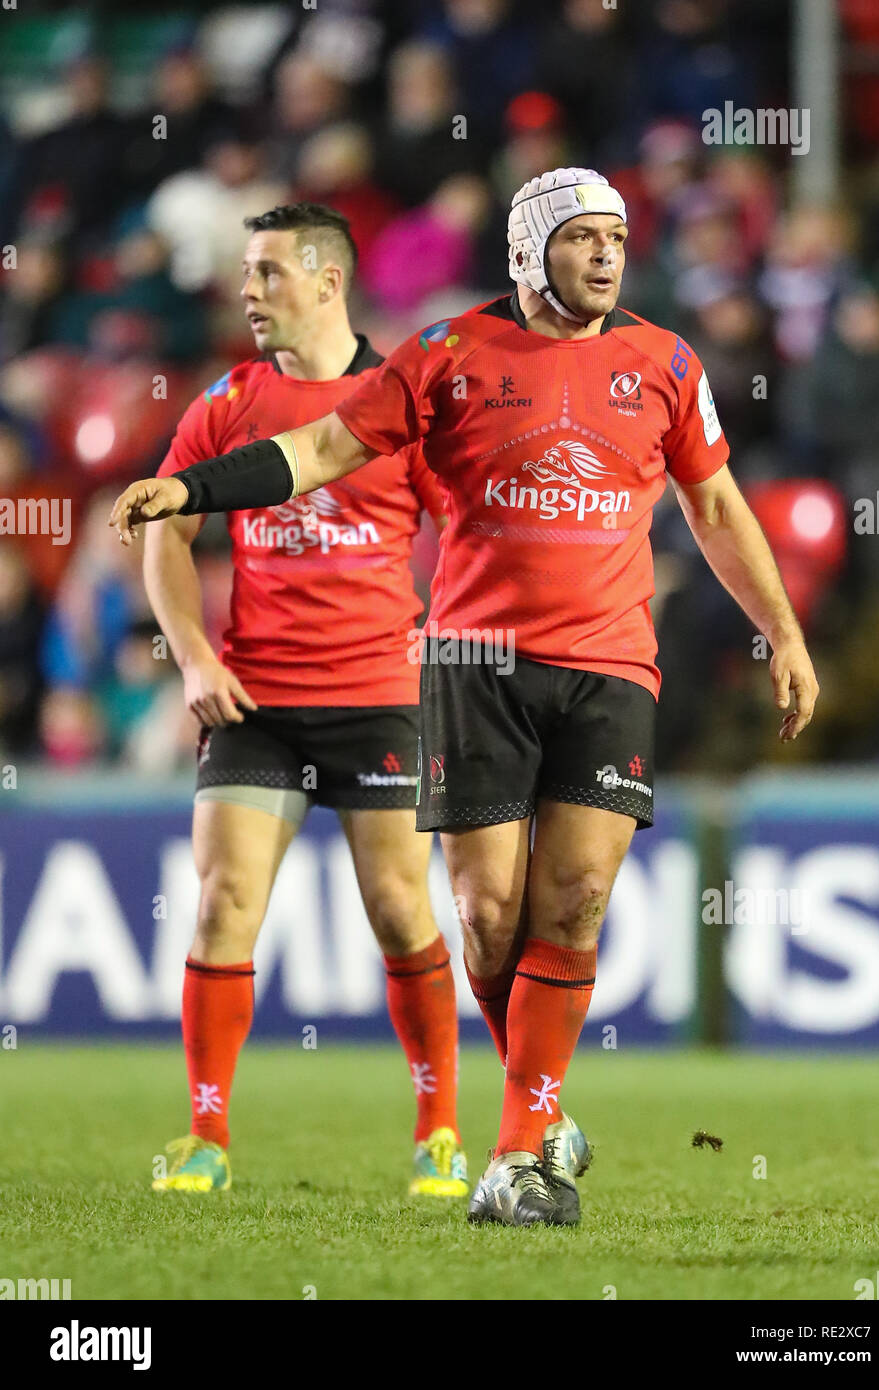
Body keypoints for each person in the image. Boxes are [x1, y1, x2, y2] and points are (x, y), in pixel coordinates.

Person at [111, 169, 819, 1226]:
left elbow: (714, 502)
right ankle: (535, 1113)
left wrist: (783, 629)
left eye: (618, 237)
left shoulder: (667, 361)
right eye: (583, 237)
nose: (607, 255)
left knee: (571, 904)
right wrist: (196, 488)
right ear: (530, 250)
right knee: (488, 921)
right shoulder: (445, 354)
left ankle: (512, 1155)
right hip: (473, 664)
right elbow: (318, 451)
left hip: (610, 664)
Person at [140, 202, 467, 1198]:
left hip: (380, 698)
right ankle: (204, 1137)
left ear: (330, 280)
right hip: (258, 704)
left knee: (399, 907)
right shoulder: (227, 401)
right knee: (225, 902)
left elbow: (471, 534)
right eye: (245, 273)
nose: (248, 291)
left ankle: (440, 1129)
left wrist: (456, 650)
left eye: (269, 272)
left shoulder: (398, 401)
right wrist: (194, 656)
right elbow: (165, 529)